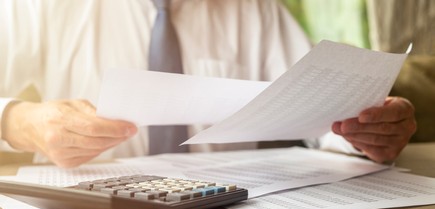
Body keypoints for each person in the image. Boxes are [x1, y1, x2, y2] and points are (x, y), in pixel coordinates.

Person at [0, 0, 416, 168]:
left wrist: (367, 131)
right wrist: (21, 121)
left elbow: (323, 110)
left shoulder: (254, 8)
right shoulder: (40, 5)